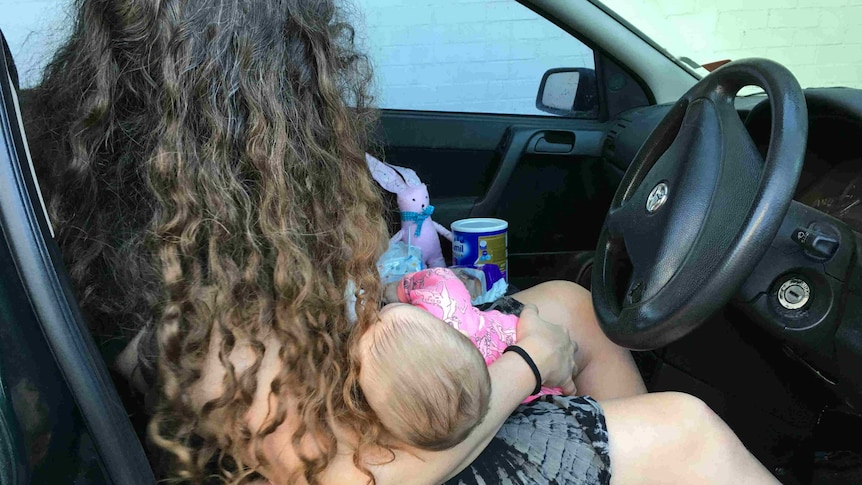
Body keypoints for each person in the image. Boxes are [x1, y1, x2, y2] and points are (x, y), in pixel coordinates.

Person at [24, 0, 781, 484]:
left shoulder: (182, 205)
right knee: (688, 432)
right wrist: (524, 364)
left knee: (571, 303)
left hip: (334, 416)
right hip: (357, 469)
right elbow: (352, 478)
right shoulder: (177, 287)